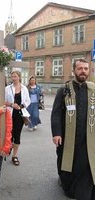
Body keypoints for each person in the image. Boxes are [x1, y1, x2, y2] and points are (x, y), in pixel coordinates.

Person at [51, 58, 95, 200]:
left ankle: (83, 190)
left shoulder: (93, 90)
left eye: (86, 69)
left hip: (88, 137)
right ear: (74, 71)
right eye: (80, 68)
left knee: (86, 165)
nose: (83, 71)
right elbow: (56, 113)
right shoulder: (64, 90)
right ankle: (66, 184)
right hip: (68, 136)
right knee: (65, 161)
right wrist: (57, 133)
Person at [5, 70, 31, 166]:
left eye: (15, 76)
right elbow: (3, 101)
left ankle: (14, 156)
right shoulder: (8, 88)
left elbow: (28, 101)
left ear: (19, 77)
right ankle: (10, 146)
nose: (13, 78)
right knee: (10, 133)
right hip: (10, 114)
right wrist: (11, 104)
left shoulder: (24, 88)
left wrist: (22, 106)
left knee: (17, 135)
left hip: (20, 114)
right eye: (12, 76)